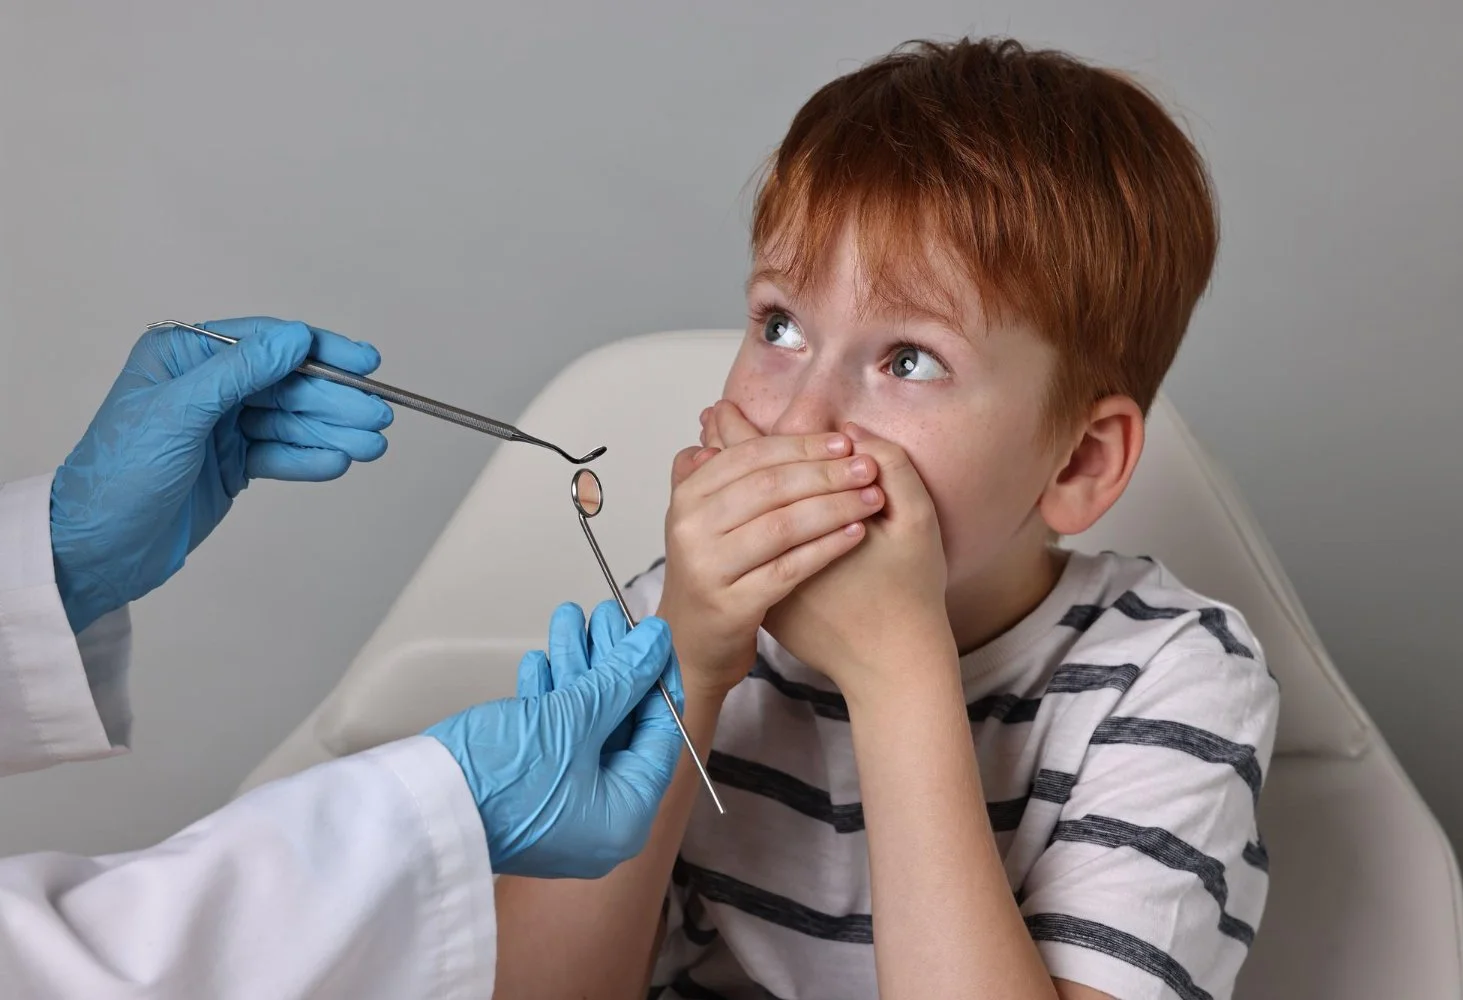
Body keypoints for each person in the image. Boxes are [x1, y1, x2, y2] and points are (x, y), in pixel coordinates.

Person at [490, 37, 1280, 1000]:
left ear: (1076, 461)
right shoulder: (688, 613)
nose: (797, 417)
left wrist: (897, 672)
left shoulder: (1174, 680)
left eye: (910, 358)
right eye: (780, 326)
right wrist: (688, 663)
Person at [0, 317, 684, 998]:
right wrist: (458, 804)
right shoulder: (674, 613)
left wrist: (60, 556)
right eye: (772, 327)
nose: (727, 411)